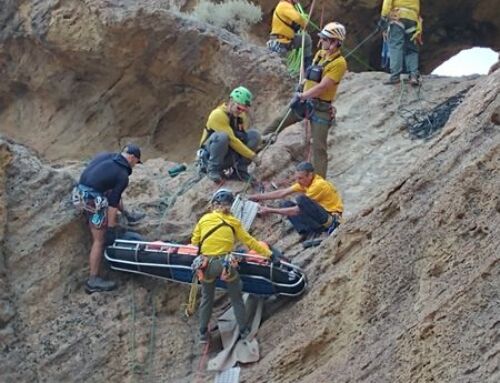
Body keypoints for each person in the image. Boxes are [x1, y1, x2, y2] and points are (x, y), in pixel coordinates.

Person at [190, 189, 279, 344]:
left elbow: (194, 242)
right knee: (236, 297)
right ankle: (244, 331)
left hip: (205, 266)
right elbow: (250, 242)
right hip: (225, 264)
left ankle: (203, 334)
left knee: (207, 298)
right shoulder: (234, 222)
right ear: (230, 206)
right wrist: (270, 255)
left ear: (213, 204)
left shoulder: (204, 219)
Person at [263, 22, 347, 178]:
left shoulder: (339, 64)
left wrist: (303, 96)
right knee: (277, 123)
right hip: (305, 101)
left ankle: (319, 183)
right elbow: (309, 75)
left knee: (318, 147)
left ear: (335, 42)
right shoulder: (321, 54)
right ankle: (253, 150)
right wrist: (301, 88)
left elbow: (323, 86)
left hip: (320, 107)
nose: (321, 42)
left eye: (325, 39)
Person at [72, 144, 142, 294]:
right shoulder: (122, 175)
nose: (135, 165)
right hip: (91, 201)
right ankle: (93, 280)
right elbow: (112, 204)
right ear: (132, 158)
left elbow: (111, 190)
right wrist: (111, 227)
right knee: (99, 240)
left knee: (112, 190)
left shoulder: (107, 156)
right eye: (136, 162)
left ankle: (128, 215)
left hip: (78, 193)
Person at [247, 162, 342, 242]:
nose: (298, 181)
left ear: (310, 175)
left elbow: (296, 210)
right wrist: (257, 197)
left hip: (331, 218)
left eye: (300, 178)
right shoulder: (306, 182)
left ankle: (321, 230)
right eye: (297, 178)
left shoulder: (318, 185)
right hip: (322, 214)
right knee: (285, 204)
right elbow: (282, 193)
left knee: (301, 200)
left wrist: (269, 210)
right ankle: (309, 232)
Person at [197, 86, 262, 183]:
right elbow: (232, 140)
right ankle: (213, 169)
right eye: (239, 108)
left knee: (254, 135)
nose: (240, 112)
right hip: (210, 155)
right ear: (231, 101)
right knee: (222, 137)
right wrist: (253, 156)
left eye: (244, 110)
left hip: (228, 155)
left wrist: (263, 139)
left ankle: (240, 170)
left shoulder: (240, 117)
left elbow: (242, 137)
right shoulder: (218, 115)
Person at [378, 0, 422, 86]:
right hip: (413, 18)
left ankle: (395, 76)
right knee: (411, 48)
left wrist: (383, 17)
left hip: (397, 16)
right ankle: (413, 75)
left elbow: (387, 2)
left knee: (396, 46)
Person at [267, 0, 312, 68]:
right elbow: (297, 18)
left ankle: (307, 69)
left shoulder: (288, 6)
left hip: (287, 40)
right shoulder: (284, 5)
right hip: (279, 43)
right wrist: (304, 22)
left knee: (306, 39)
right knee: (280, 69)